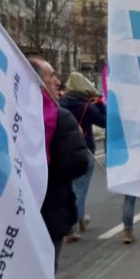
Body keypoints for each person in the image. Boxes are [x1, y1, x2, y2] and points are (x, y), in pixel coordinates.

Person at [3, 57, 90, 279]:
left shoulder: (11, 116)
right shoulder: (60, 117)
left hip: (16, 214)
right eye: (52, 77)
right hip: (48, 213)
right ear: (37, 82)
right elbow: (79, 164)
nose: (57, 82)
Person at [59, 72, 105, 243]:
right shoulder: (87, 107)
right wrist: (99, 104)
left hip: (64, 152)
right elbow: (104, 121)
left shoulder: (61, 104)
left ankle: (80, 218)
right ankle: (71, 228)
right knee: (80, 190)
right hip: (85, 151)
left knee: (70, 189)